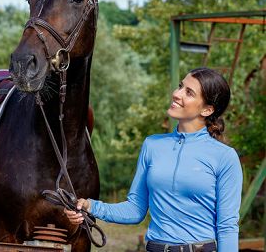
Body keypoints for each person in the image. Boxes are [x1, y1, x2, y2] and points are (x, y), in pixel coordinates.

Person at [65, 67, 243, 252]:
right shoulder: (152, 145)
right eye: (180, 86)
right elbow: (135, 209)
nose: (176, 94)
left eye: (188, 93)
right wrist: (90, 206)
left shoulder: (225, 157)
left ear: (207, 109)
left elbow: (227, 227)